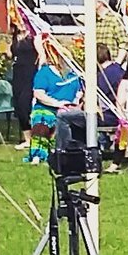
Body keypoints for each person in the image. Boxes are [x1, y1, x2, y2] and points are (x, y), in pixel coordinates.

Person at [28, 51, 81, 166]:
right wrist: (56, 103)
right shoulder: (44, 73)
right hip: (47, 107)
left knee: (72, 118)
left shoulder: (73, 75)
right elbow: (38, 93)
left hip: (69, 108)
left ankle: (63, 152)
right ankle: (38, 154)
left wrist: (74, 104)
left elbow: (79, 93)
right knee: (43, 117)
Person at [10, 24, 38, 152]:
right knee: (18, 105)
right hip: (17, 73)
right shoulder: (15, 35)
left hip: (30, 73)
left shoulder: (33, 35)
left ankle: (35, 137)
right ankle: (27, 139)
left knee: (25, 103)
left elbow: (41, 55)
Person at [93, 0, 128, 67]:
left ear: (99, 3)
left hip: (110, 66)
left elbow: (124, 43)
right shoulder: (94, 20)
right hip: (96, 66)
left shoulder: (114, 18)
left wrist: (116, 64)